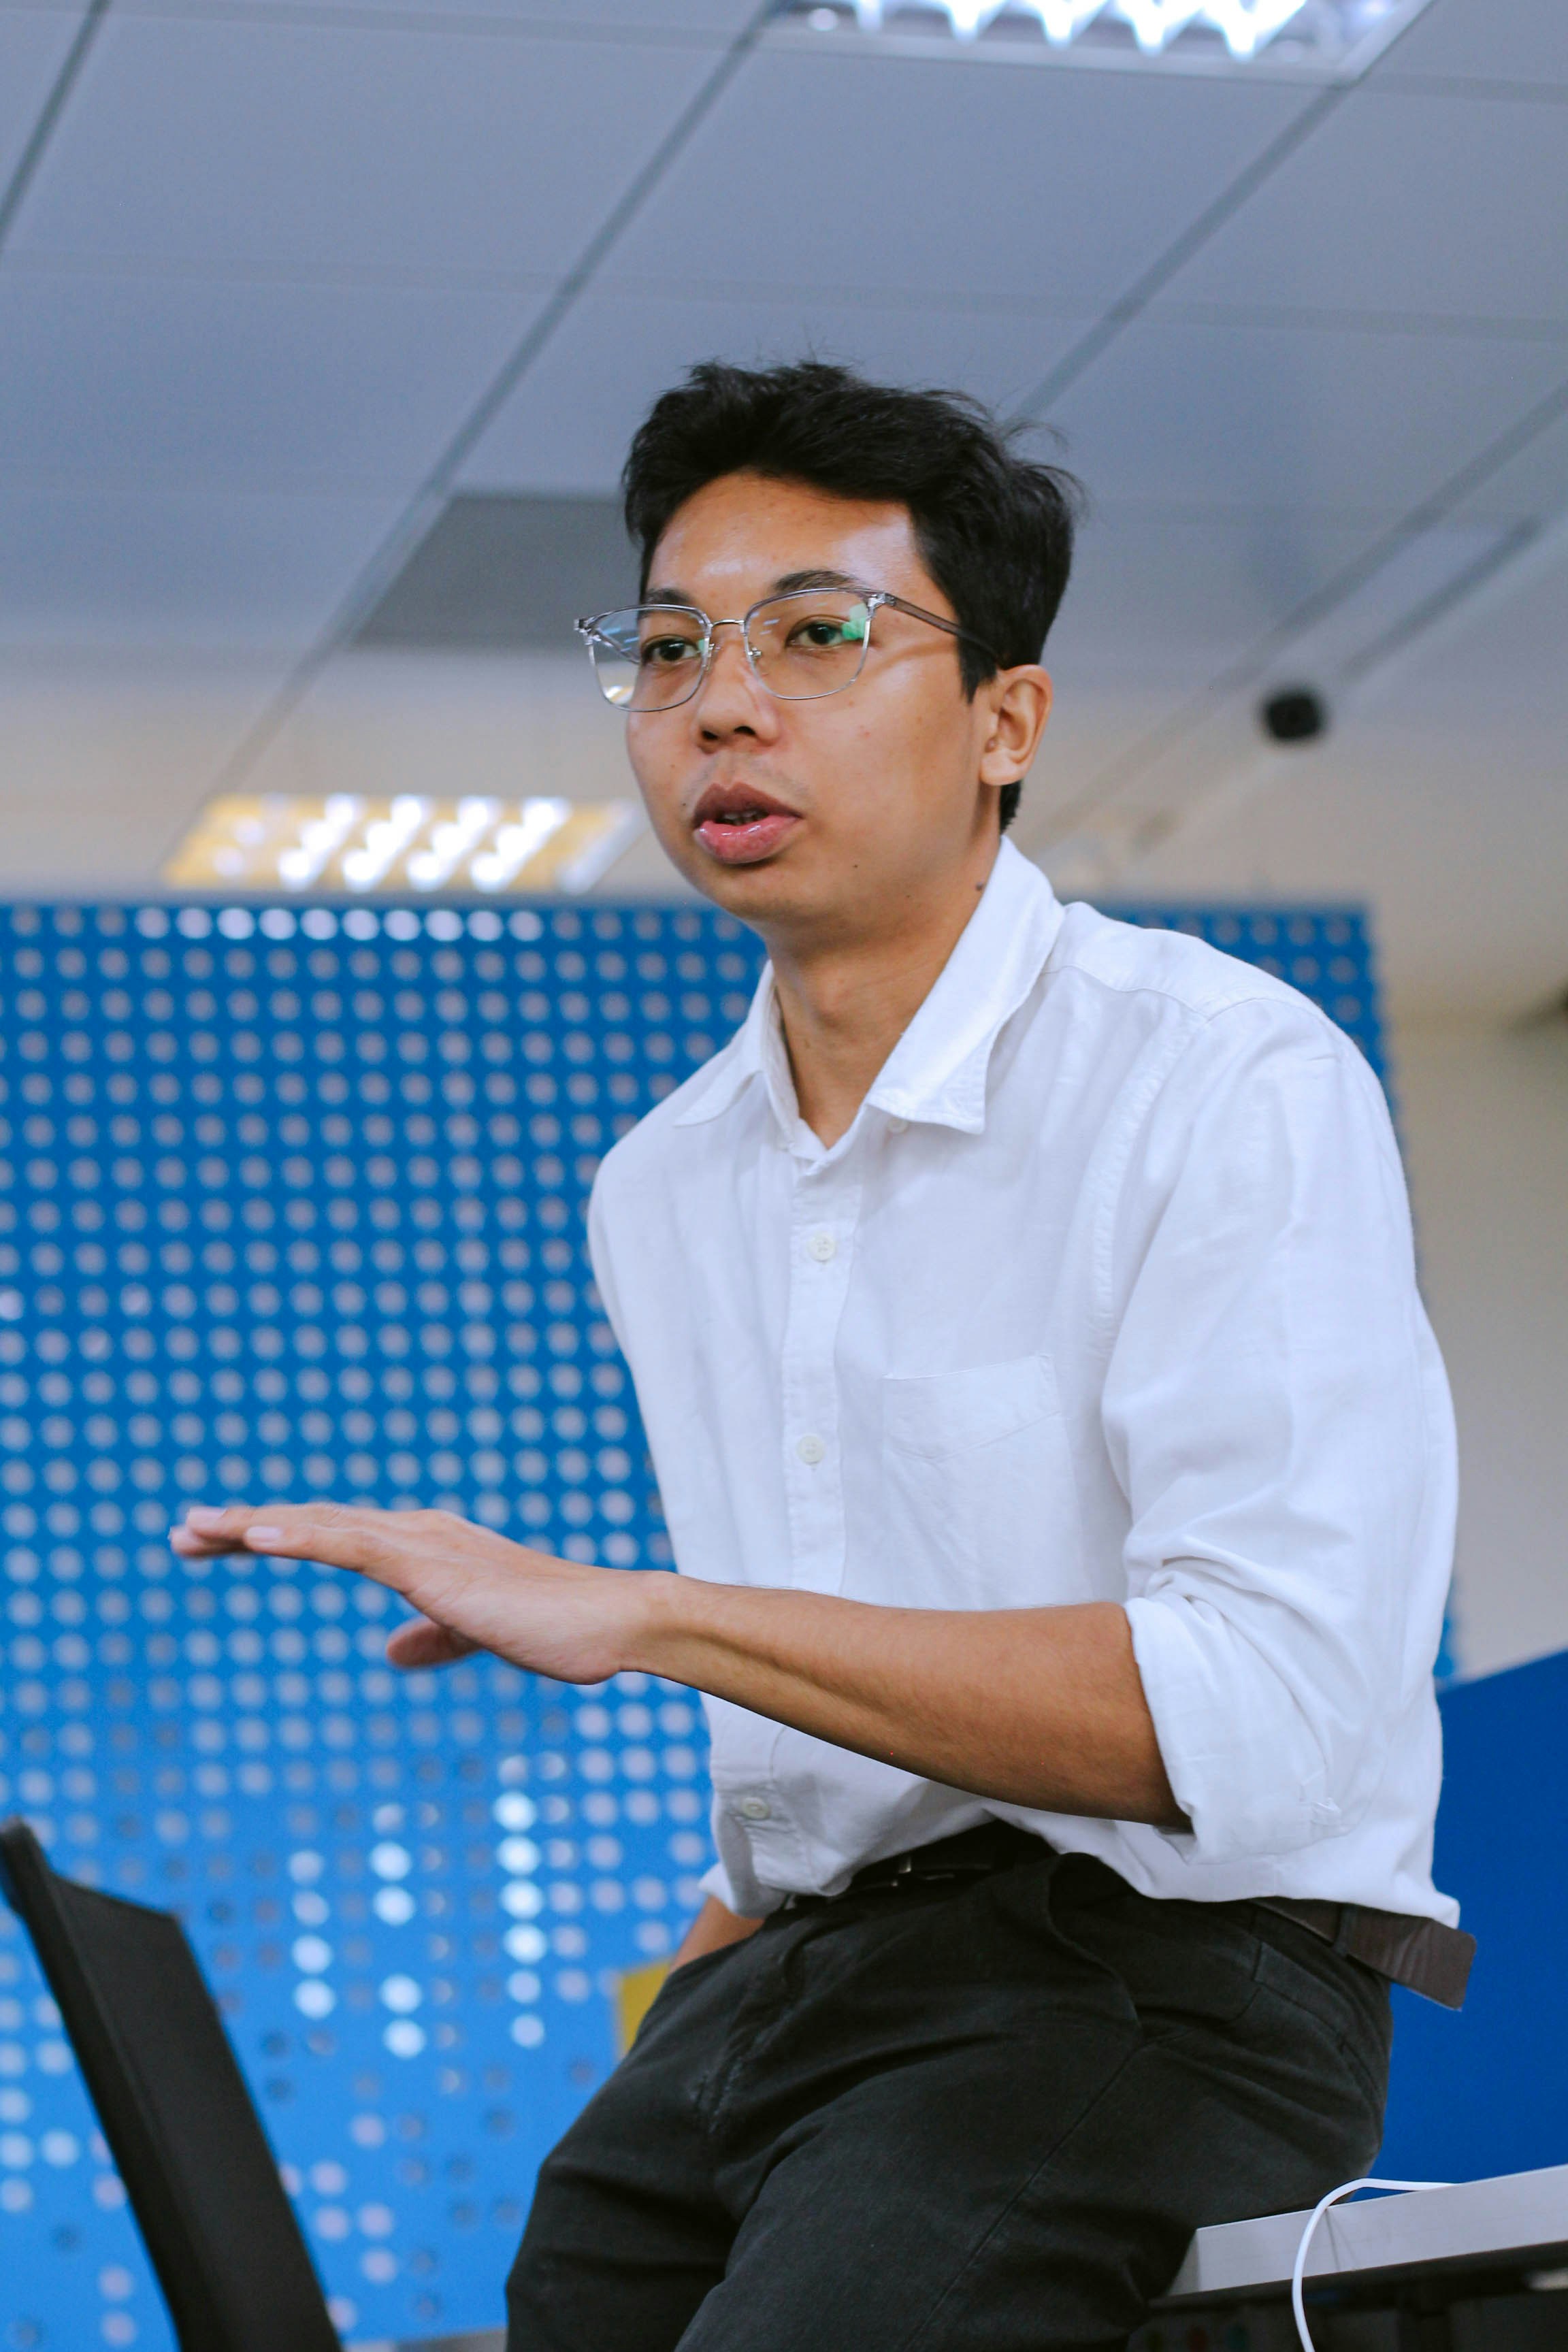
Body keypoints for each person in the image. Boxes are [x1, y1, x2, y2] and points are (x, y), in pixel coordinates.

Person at [174, 360, 1469, 2352]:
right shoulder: (664, 1185)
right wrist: (719, 1962)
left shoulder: (1219, 1076)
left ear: (1005, 723)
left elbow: (1268, 1714)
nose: (722, 703)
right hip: (805, 1983)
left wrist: (652, 1616)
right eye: (670, 646)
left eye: (819, 634)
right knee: (558, 2288)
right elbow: (825, 1779)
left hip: (1170, 1978)